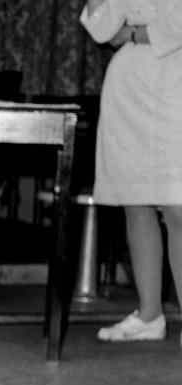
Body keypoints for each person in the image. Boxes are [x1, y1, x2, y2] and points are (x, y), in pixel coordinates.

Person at [82, 0, 182, 344]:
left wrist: (136, 33)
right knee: (135, 201)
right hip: (130, 83)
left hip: (176, 79)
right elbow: (103, 30)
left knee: (178, 205)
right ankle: (150, 314)